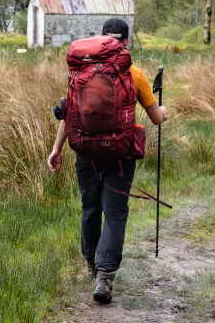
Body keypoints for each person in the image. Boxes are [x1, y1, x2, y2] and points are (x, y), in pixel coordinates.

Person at [47, 17, 168, 305]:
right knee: (114, 213)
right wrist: (164, 110)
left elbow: (70, 115)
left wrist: (56, 149)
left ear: (101, 40)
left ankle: (91, 263)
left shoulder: (80, 71)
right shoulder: (134, 74)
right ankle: (104, 277)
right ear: (126, 42)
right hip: (121, 156)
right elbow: (155, 119)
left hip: (85, 153)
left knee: (90, 208)